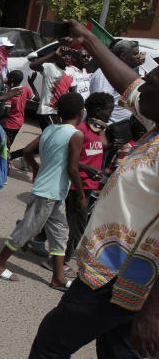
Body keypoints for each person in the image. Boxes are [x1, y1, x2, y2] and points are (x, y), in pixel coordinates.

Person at [0, 19, 158, 359]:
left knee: (56, 336)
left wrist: (154, 312)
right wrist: (89, 38)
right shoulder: (157, 122)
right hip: (112, 272)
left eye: (152, 83)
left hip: (119, 280)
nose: (141, 85)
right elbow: (126, 80)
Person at [0, 93, 85, 289]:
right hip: (49, 193)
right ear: (81, 113)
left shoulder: (50, 129)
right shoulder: (76, 134)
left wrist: (36, 168)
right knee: (28, 229)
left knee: (60, 233)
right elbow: (73, 168)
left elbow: (28, 151)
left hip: (53, 193)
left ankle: (58, 278)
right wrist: (81, 195)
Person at [63, 92, 113, 265]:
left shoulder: (98, 130)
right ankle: (62, 262)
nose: (111, 114)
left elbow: (95, 150)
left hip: (89, 184)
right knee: (77, 226)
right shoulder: (80, 131)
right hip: (79, 185)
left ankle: (36, 237)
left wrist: (111, 147)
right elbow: (71, 160)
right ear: (98, 111)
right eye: (109, 110)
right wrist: (87, 169)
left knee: (71, 221)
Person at [1, 69, 31, 151]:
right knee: (9, 144)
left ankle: (6, 161)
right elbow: (37, 98)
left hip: (9, 124)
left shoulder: (10, 93)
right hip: (19, 122)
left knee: (5, 147)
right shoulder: (25, 89)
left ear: (11, 80)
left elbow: (6, 112)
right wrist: (31, 84)